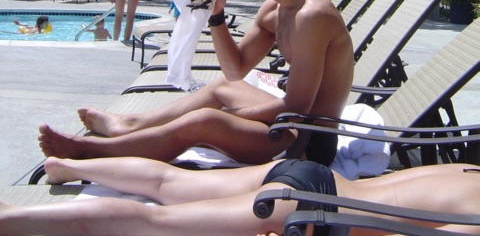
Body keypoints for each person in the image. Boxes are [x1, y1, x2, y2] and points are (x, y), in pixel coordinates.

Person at [39, 0, 354, 166]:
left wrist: (233, 116)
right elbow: (235, 71)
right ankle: (131, 124)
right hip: (289, 123)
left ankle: (90, 151)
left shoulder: (311, 16)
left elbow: (297, 108)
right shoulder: (274, 8)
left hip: (307, 141)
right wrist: (216, 15)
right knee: (221, 88)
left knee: (206, 120)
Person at [0, 156, 478, 235]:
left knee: (169, 184)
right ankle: (12, 220)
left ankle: (69, 167)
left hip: (309, 175)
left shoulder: (468, 170)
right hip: (314, 212)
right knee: (154, 225)